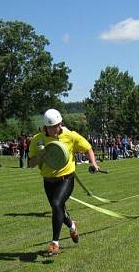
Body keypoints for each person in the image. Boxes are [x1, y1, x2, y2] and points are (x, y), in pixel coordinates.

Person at [28, 108, 100, 256]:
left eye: (56, 126)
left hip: (66, 179)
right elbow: (30, 163)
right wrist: (41, 155)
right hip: (48, 181)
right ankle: (72, 226)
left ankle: (55, 243)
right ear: (45, 127)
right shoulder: (38, 140)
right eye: (51, 127)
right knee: (58, 209)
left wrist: (93, 163)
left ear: (61, 123)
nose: (54, 129)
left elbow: (88, 148)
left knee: (56, 204)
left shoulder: (70, 136)